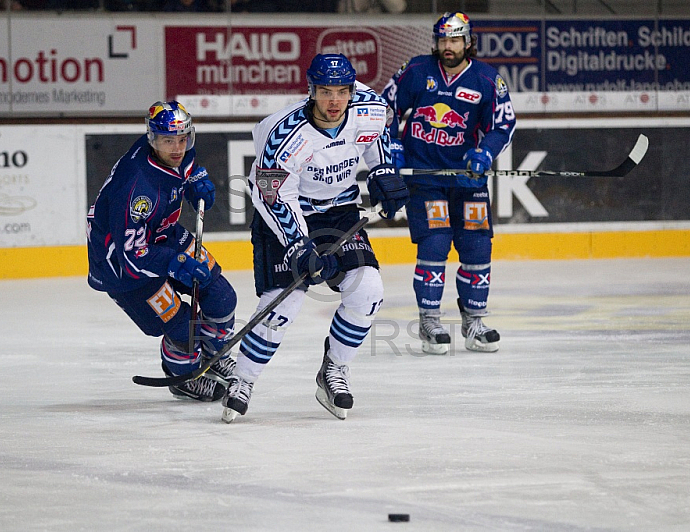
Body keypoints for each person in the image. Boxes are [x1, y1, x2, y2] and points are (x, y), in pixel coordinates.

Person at [221, 53, 409, 422]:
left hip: (339, 211)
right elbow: (272, 195)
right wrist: (298, 245)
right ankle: (241, 380)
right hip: (285, 213)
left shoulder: (369, 107)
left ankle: (334, 370)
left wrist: (383, 171)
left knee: (368, 290)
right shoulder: (283, 135)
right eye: (326, 91)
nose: (335, 101)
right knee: (282, 306)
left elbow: (375, 136)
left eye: (342, 91)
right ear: (311, 90)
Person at [381, 12, 516, 355]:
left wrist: (485, 153)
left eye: (455, 40)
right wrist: (393, 147)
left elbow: (503, 124)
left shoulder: (486, 79)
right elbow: (383, 107)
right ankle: (430, 321)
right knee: (435, 243)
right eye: (443, 40)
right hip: (425, 178)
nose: (448, 47)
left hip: (467, 179)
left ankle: (474, 321)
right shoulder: (416, 70)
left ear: (468, 42)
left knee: (476, 246)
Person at [86, 100, 237, 402]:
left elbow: (187, 158)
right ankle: (183, 377)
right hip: (122, 265)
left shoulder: (168, 149)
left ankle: (213, 354)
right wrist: (173, 261)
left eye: (183, 138)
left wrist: (195, 177)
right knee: (184, 326)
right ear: (153, 139)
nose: (178, 147)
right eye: (169, 140)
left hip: (162, 236)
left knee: (221, 295)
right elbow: (131, 256)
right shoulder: (137, 187)